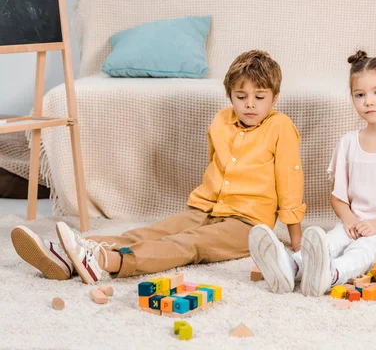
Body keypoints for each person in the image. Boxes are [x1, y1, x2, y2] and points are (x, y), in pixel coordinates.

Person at [11, 50, 306, 284]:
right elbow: (216, 168)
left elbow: (290, 186)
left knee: (188, 244)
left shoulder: (281, 127)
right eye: (241, 97)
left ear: (274, 98)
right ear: (230, 96)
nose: (250, 105)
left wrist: (297, 246)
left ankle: (106, 261)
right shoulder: (221, 120)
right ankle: (69, 252)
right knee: (150, 232)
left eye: (260, 97)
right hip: (205, 209)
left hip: (247, 223)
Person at [249, 50, 376, 296]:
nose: (368, 101)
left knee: (364, 250)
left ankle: (330, 274)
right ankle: (291, 267)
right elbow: (338, 197)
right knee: (330, 241)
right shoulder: (348, 142)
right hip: (353, 221)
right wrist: (349, 220)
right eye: (360, 94)